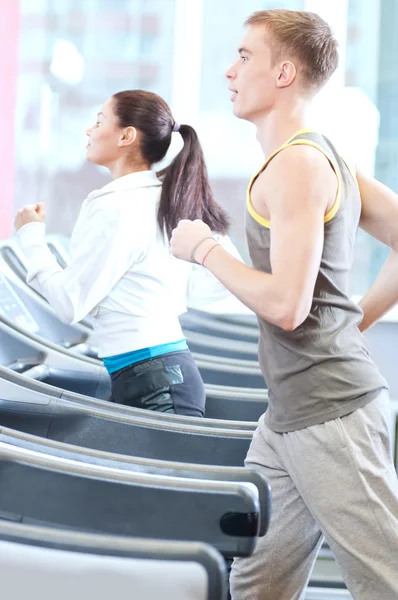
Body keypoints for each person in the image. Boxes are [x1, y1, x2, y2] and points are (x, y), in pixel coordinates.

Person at [170, 9, 398, 599]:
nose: (230, 70)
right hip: (287, 417)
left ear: (285, 73)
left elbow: (288, 307)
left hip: (332, 416)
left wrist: (205, 251)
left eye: (245, 56)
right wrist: (356, 319)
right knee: (256, 587)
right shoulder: (318, 158)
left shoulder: (298, 164)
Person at [14, 89, 240, 418]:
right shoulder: (166, 195)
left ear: (126, 136)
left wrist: (31, 236)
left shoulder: (115, 206)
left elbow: (68, 303)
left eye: (99, 121)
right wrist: (167, 294)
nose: (88, 130)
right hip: (162, 374)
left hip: (155, 385)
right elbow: (222, 277)